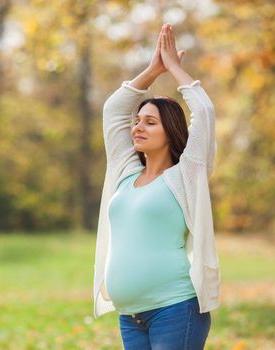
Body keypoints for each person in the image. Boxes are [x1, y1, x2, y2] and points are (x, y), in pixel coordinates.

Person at [92, 23, 221, 349]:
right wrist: (152, 70)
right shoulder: (124, 172)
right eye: (137, 121)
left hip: (175, 310)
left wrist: (175, 69)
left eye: (150, 123)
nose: (138, 127)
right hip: (131, 317)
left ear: (170, 132)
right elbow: (113, 111)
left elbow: (204, 112)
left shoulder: (185, 175)